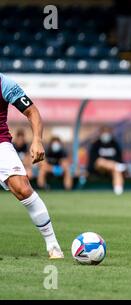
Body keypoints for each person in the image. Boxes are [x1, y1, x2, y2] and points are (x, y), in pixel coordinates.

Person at [0, 73, 63, 259]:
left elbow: (32, 112)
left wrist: (37, 140)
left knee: (22, 188)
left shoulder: (4, 83)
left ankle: (53, 245)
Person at [88, 126, 127, 195]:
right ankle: (117, 166)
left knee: (116, 170)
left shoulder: (115, 144)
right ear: (100, 133)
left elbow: (119, 158)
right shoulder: (96, 144)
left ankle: (118, 191)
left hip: (111, 170)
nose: (106, 135)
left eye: (107, 132)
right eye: (104, 132)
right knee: (100, 161)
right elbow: (93, 161)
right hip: (98, 169)